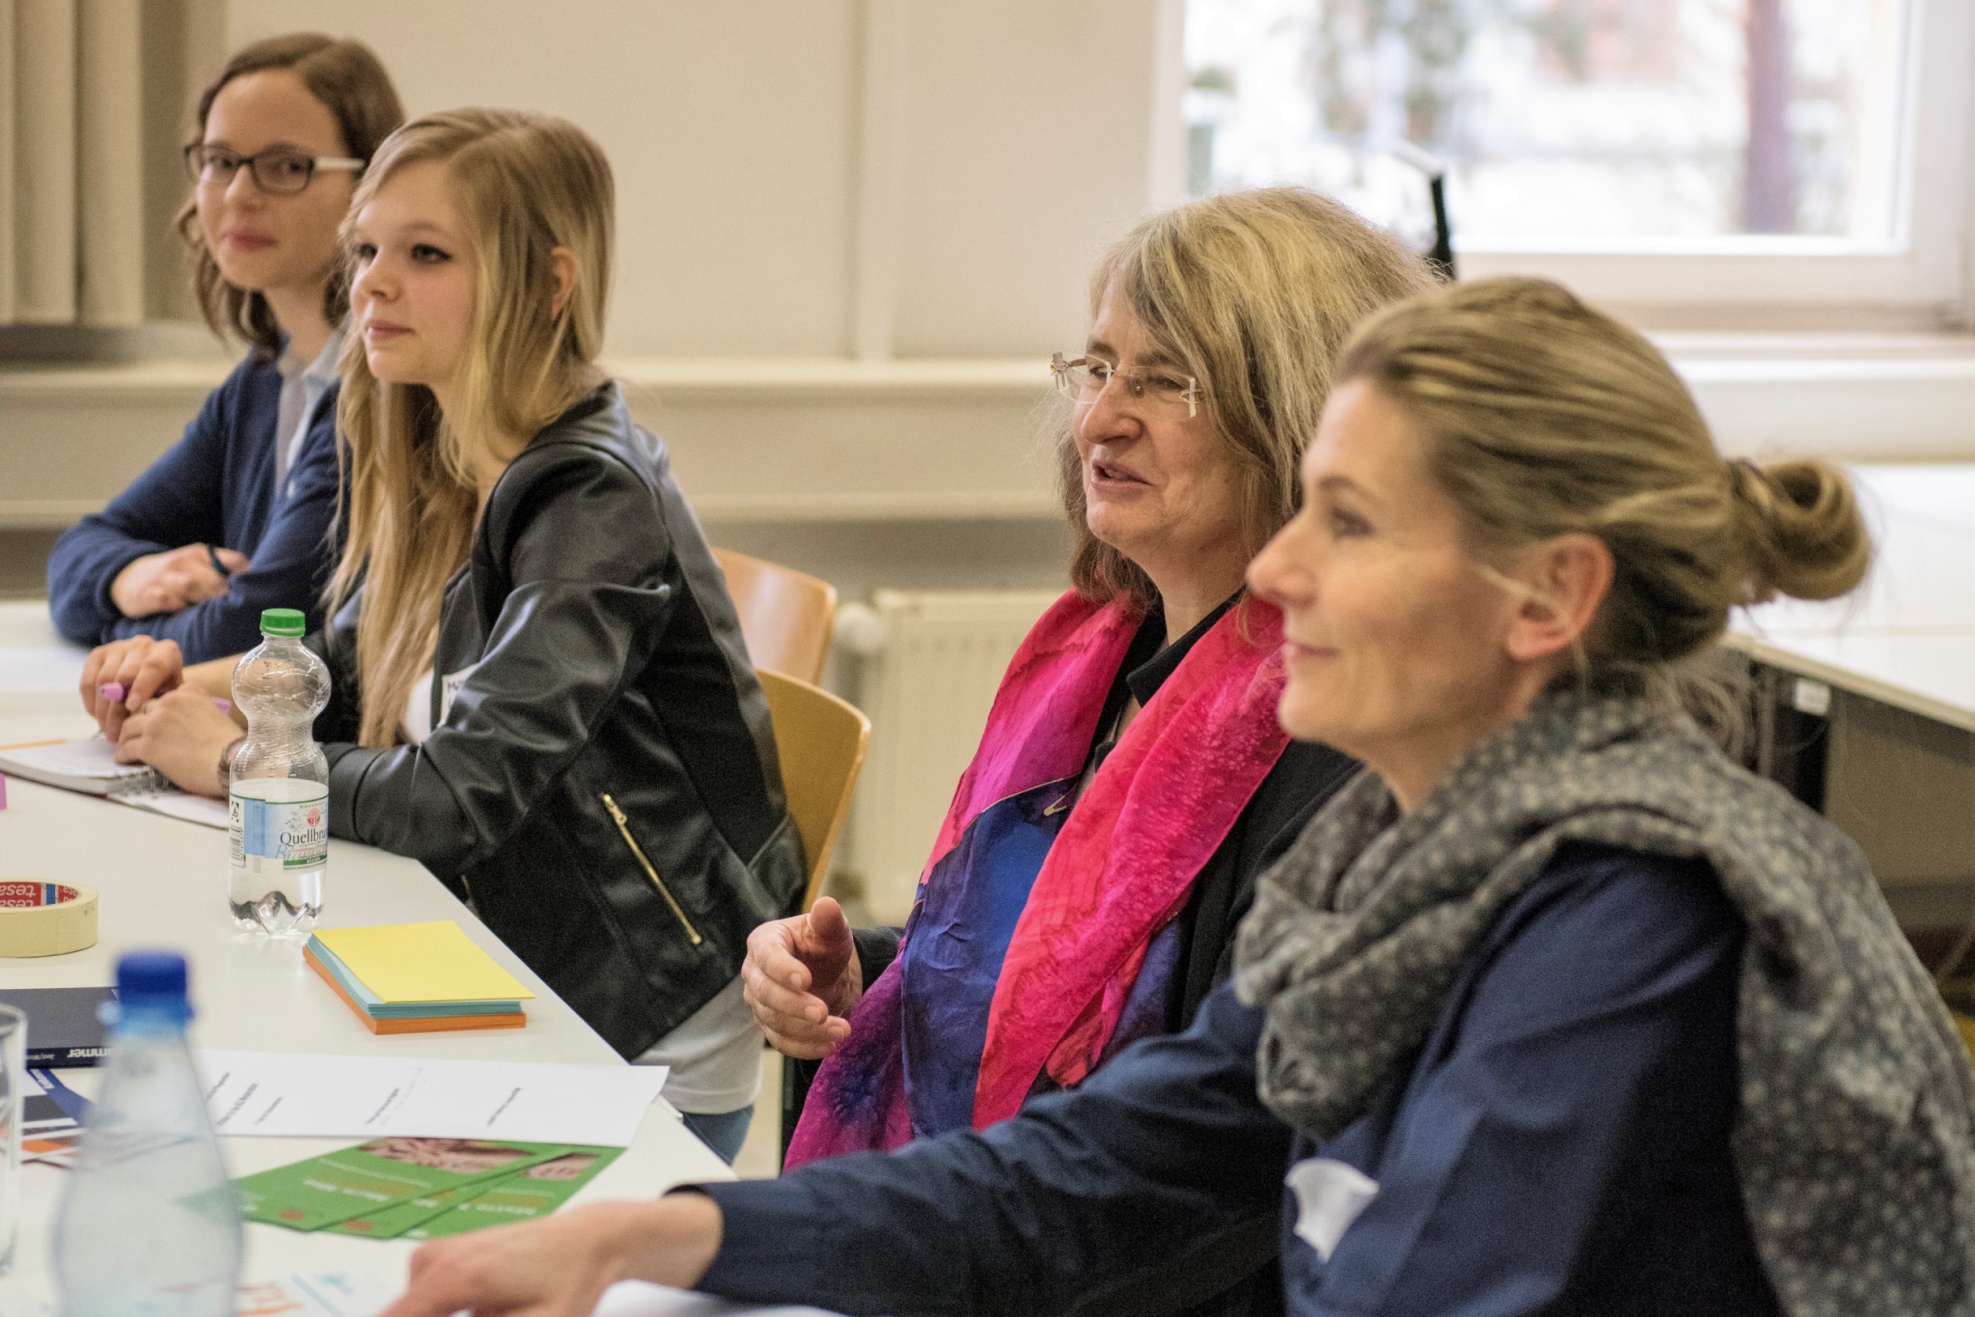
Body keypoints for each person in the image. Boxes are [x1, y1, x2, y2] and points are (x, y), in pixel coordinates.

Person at [379, 277, 1975, 1317]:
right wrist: (657, 1232)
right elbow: (1087, 1166)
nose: (1281, 569)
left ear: (1547, 596)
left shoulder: (1632, 914)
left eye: (1347, 524)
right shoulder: (1400, 852)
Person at [78, 109, 803, 1166]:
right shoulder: (451, 445)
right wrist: (193, 682)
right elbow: (359, 665)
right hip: (499, 962)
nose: (370, 285)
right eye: (367, 250)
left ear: (548, 285)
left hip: (630, 1034)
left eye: (424, 255)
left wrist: (240, 762)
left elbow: (459, 798)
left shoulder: (591, 497)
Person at [750, 191, 1430, 1204]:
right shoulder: (1092, 655)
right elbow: (1035, 977)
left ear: (1298, 416)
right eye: (1100, 368)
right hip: (996, 1204)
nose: (1101, 420)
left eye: (1164, 382)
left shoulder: (1332, 734)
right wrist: (870, 976)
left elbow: (1226, 1130)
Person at [48, 34, 403, 662]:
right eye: (219, 161)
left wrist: (120, 639)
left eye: (286, 166)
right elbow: (83, 547)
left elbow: (249, 635)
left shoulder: (381, 392)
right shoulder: (263, 380)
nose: (238, 194)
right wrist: (129, 578)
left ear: (370, 187)